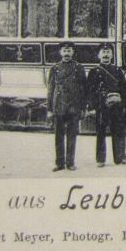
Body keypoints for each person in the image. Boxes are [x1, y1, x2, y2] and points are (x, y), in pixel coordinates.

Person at [86, 43, 126, 167]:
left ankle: (120, 157)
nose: (106, 55)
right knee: (101, 132)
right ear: (98, 55)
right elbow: (90, 90)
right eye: (103, 52)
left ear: (112, 54)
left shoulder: (117, 70)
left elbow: (124, 89)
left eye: (108, 52)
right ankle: (101, 159)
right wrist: (92, 106)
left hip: (117, 105)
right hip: (101, 105)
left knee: (119, 131)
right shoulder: (94, 71)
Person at [47, 41, 86, 172]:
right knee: (58, 136)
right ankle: (59, 163)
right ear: (60, 52)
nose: (67, 53)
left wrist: (83, 108)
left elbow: (83, 89)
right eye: (64, 50)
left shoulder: (79, 68)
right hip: (59, 106)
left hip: (74, 106)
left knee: (72, 136)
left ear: (73, 52)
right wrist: (49, 109)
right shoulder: (55, 68)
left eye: (69, 51)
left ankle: (70, 162)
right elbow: (50, 90)